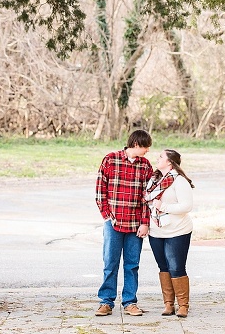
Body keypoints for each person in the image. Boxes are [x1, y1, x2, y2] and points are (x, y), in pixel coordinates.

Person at [95, 129, 154, 317]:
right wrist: (107, 215)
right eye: (146, 147)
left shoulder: (145, 166)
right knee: (110, 263)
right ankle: (106, 301)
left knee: (132, 264)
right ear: (136, 144)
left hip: (135, 224)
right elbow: (100, 190)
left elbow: (148, 197)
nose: (147, 151)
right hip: (113, 223)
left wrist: (145, 223)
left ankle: (130, 302)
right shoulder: (110, 160)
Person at [145, 149, 194, 318]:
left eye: (161, 157)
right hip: (156, 230)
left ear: (170, 162)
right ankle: (168, 304)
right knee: (163, 267)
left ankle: (183, 306)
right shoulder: (153, 180)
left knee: (176, 267)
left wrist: (163, 207)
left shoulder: (179, 182)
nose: (157, 159)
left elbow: (186, 206)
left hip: (178, 230)